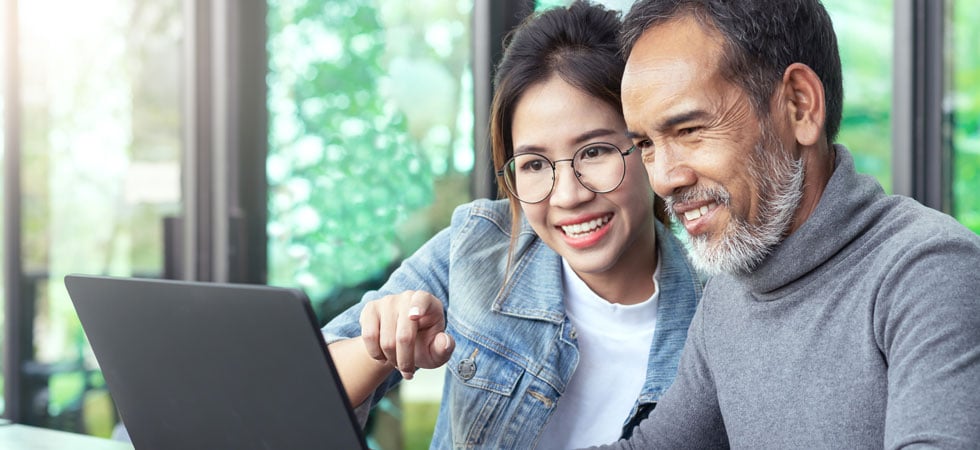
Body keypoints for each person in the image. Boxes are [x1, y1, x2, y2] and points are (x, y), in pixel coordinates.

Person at [586, 0, 980, 448]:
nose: (663, 179)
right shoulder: (728, 296)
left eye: (690, 130)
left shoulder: (930, 270)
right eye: (646, 145)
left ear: (799, 106)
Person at [322, 1, 703, 449]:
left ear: (646, 144)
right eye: (535, 163)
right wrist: (381, 347)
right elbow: (301, 391)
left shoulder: (712, 309)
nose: (567, 195)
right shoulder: (479, 245)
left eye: (595, 152)